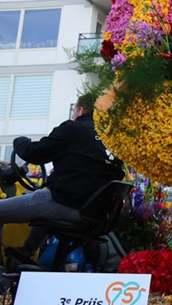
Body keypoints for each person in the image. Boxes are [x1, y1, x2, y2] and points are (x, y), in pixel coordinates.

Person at [4, 94, 125, 258]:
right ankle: (26, 253)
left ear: (81, 110)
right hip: (96, 215)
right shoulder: (112, 139)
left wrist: (19, 141)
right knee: (43, 200)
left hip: (68, 204)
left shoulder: (73, 129)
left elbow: (33, 153)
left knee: (29, 203)